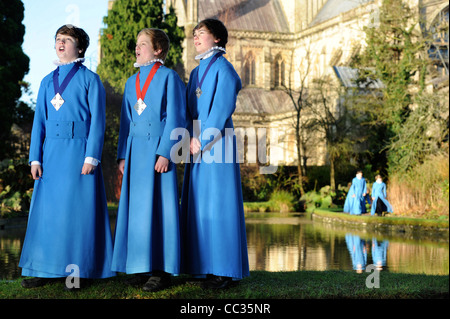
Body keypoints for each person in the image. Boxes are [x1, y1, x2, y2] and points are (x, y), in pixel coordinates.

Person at [19, 25, 115, 289]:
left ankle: (76, 274)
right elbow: (39, 121)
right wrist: (35, 158)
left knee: (76, 214)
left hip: (78, 153)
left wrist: (91, 156)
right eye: (58, 40)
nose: (61, 44)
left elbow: (98, 122)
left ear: (80, 47)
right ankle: (43, 269)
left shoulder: (90, 79)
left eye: (67, 40)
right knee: (48, 214)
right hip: (50, 155)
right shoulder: (46, 81)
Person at [111, 28, 186, 292]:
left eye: (143, 43)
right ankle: (141, 267)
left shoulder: (170, 77)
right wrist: (122, 155)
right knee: (138, 211)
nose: (137, 47)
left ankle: (161, 271)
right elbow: (126, 122)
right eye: (137, 43)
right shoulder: (131, 82)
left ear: (158, 50)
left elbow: (178, 118)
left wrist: (166, 151)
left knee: (160, 210)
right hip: (134, 152)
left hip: (157, 152)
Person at [180, 18, 250, 289]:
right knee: (200, 205)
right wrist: (189, 137)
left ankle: (224, 270)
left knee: (219, 205)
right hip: (195, 144)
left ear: (217, 39)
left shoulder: (225, 69)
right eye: (194, 34)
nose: (196, 37)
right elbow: (187, 111)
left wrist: (202, 139)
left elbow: (221, 109)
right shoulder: (196, 73)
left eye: (202, 33)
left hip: (217, 143)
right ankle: (203, 267)